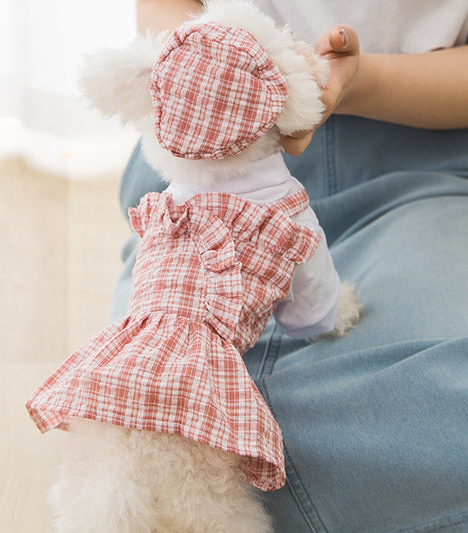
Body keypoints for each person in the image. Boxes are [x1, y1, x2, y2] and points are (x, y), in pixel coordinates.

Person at [111, 1, 468, 531]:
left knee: (152, 416)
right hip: (207, 168)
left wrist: (358, 82)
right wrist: (204, 72)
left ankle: (180, 468)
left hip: (422, 159)